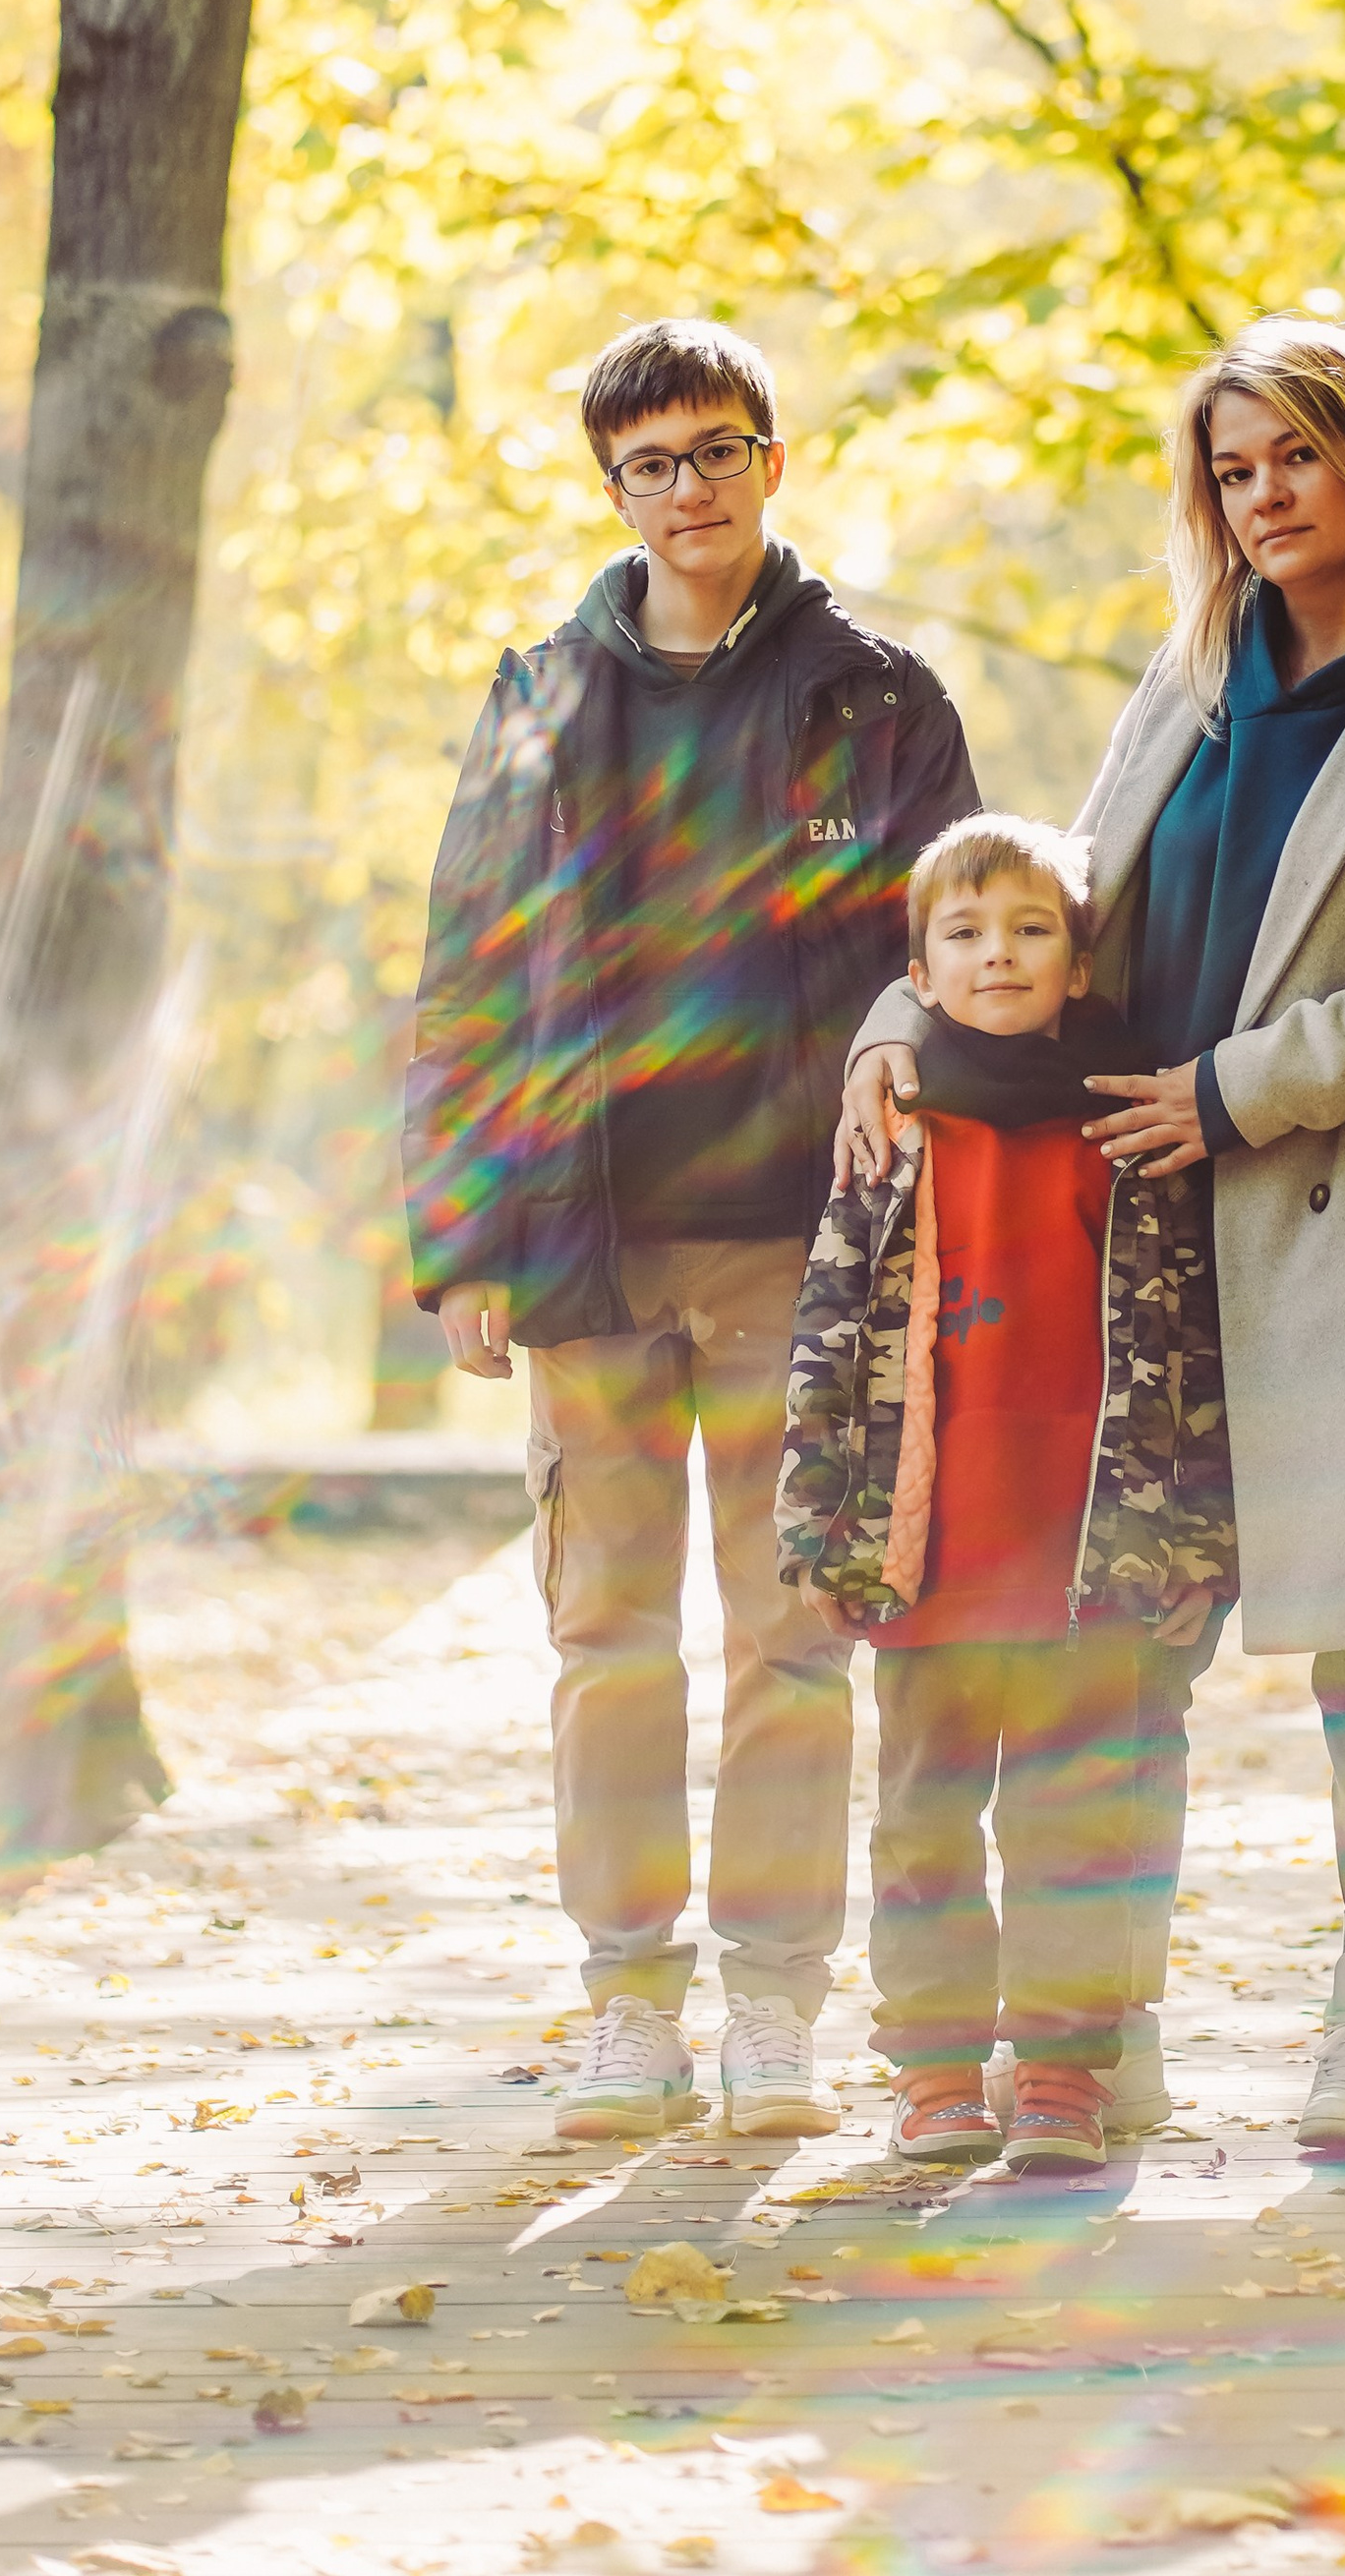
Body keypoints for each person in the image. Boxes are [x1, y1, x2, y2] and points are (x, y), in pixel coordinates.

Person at [841, 316, 1345, 2162]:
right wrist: (899, 1020)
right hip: (1149, 1235)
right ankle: (1101, 2033)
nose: (1259, 498)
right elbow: (1059, 913)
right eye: (1231, 469)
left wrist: (1248, 1087)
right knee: (1121, 1642)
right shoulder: (1186, 685)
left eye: (1294, 460)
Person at [407, 319, 978, 2142]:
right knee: (610, 1637)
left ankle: (776, 2011)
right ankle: (629, 2003)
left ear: (772, 462)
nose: (686, 489)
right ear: (613, 491)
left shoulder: (881, 698)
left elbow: (956, 961)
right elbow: (470, 979)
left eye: (716, 451)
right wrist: (467, 1236)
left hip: (808, 1256)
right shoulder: (539, 698)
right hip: (587, 1242)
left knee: (796, 1638)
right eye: (649, 463)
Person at [777, 813, 1234, 2173]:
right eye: (965, 934)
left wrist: (1196, 1532)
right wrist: (819, 1524)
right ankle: (931, 2072)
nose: (999, 957)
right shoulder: (893, 1131)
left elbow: (1187, 1342)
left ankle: (1059, 2074)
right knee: (923, 1819)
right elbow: (827, 1330)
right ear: (917, 971)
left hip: (1087, 1556)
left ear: (1078, 965)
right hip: (932, 1552)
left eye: (1032, 930)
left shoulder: (1129, 1127)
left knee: (1071, 1818)